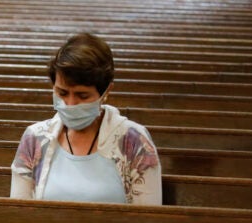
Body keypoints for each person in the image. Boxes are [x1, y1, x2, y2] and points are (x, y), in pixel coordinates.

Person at [10, 33, 162, 205]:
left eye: (82, 96)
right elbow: (19, 213)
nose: (70, 104)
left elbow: (148, 219)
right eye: (62, 93)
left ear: (106, 92)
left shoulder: (134, 140)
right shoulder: (35, 138)